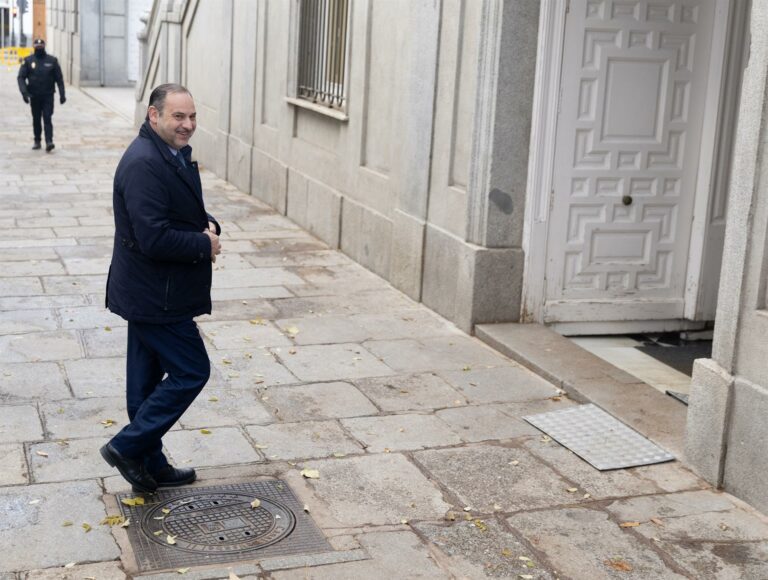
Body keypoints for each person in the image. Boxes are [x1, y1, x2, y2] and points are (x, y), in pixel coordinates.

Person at [101, 83, 222, 493]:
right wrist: (203, 245)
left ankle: (150, 464)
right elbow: (153, 238)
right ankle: (126, 447)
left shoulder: (167, 153)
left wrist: (207, 225)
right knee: (192, 370)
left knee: (144, 384)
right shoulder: (144, 164)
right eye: (178, 116)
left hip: (150, 291)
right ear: (154, 115)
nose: (188, 124)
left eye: (192, 116)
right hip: (156, 295)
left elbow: (176, 211)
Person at [17, 38, 65, 152]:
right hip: (34, 96)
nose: (39, 48)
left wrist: (62, 94)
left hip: (48, 95)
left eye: (41, 47)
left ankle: (49, 141)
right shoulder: (28, 61)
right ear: (34, 47)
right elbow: (21, 77)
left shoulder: (52, 61)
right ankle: (37, 140)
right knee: (36, 118)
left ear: (44, 47)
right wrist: (24, 93)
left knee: (47, 117)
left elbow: (59, 79)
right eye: (37, 47)